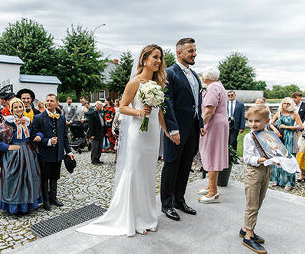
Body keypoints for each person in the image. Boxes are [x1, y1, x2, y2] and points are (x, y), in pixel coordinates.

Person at [78, 44, 169, 236]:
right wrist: (139, 112)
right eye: (155, 57)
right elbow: (122, 107)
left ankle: (147, 216)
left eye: (160, 58)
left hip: (153, 134)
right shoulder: (135, 82)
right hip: (138, 133)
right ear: (144, 59)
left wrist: (167, 132)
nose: (158, 61)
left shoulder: (159, 84)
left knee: (149, 175)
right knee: (135, 172)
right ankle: (133, 218)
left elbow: (160, 112)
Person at [160, 38, 201, 221]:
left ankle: (179, 199)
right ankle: (166, 204)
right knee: (171, 165)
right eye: (190, 51)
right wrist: (173, 129)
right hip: (176, 129)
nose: (194, 54)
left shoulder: (195, 75)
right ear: (179, 53)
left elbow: (195, 104)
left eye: (194, 50)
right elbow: (166, 103)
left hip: (192, 128)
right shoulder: (169, 73)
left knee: (185, 165)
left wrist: (200, 125)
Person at [0, 98, 42, 214]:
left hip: (28, 153)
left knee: (29, 178)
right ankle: (14, 206)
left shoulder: (27, 121)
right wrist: (7, 147)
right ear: (11, 110)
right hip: (14, 155)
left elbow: (34, 133)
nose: (19, 109)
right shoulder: (8, 122)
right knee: (13, 179)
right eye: (16, 107)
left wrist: (39, 135)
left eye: (20, 107)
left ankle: (27, 204)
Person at [239, 105, 274, 254]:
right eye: (250, 121)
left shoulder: (268, 135)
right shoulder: (249, 136)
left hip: (266, 170)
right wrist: (260, 159)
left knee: (259, 201)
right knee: (252, 204)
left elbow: (273, 150)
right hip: (254, 171)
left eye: (257, 121)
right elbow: (247, 157)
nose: (253, 124)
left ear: (266, 121)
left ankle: (244, 228)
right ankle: (248, 235)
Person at [31, 94, 73, 210]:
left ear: (57, 103)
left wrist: (69, 152)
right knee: (45, 178)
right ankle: (46, 201)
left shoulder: (61, 117)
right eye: (47, 100)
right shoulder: (38, 118)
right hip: (45, 153)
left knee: (55, 176)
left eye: (51, 101)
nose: (49, 102)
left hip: (58, 153)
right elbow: (34, 136)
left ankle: (53, 197)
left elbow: (65, 137)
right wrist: (48, 141)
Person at [197, 67, 229, 203]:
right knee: (211, 154)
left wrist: (200, 125)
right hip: (219, 124)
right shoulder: (219, 86)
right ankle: (210, 185)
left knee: (211, 154)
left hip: (213, 124)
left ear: (206, 77)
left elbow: (209, 111)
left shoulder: (212, 88)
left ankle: (213, 192)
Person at [268, 97, 302, 190]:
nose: (286, 105)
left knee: (289, 159)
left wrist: (287, 127)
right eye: (284, 103)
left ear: (291, 105)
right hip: (279, 138)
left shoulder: (294, 114)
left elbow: (300, 127)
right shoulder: (279, 113)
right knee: (278, 158)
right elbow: (270, 123)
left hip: (290, 138)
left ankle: (289, 182)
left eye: (288, 104)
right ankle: (276, 180)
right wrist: (275, 129)